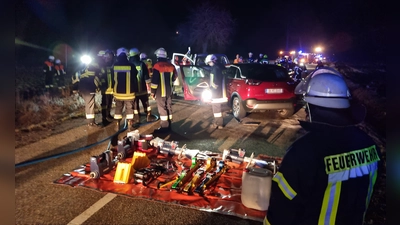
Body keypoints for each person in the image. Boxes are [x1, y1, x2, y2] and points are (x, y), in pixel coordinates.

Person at [264, 68, 381, 225]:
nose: (305, 110)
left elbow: (281, 210)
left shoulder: (303, 152)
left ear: (314, 107)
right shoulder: (370, 145)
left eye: (307, 105)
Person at [150, 47, 177, 133]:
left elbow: (154, 81)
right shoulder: (171, 66)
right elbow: (174, 77)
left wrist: (152, 92)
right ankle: (169, 126)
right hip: (169, 91)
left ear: (158, 56)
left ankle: (164, 127)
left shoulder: (157, 66)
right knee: (168, 107)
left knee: (162, 108)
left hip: (160, 91)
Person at [112, 47, 139, 131]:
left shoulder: (114, 65)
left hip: (118, 93)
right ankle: (130, 126)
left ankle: (117, 125)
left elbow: (112, 78)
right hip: (129, 93)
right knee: (129, 109)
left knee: (118, 108)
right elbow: (135, 75)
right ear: (127, 55)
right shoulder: (131, 65)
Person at [129, 47, 154, 124]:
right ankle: (148, 116)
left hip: (134, 89)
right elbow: (146, 77)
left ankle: (137, 118)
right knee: (146, 103)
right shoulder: (141, 64)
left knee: (135, 104)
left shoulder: (129, 64)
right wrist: (149, 88)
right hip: (142, 88)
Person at [78, 55, 102, 127]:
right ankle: (91, 122)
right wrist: (98, 87)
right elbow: (97, 79)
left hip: (82, 88)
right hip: (89, 88)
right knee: (90, 105)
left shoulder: (82, 69)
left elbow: (76, 78)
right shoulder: (94, 68)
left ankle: (90, 122)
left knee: (87, 104)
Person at [205, 54, 227, 129]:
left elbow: (215, 82)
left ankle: (218, 124)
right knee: (218, 108)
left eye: (209, 62)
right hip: (221, 91)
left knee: (216, 108)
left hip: (216, 92)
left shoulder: (215, 69)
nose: (209, 64)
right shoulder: (221, 67)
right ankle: (218, 122)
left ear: (213, 61)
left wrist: (211, 89)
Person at [98, 49, 115, 126]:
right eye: (109, 56)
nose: (110, 57)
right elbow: (101, 76)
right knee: (105, 104)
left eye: (111, 56)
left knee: (109, 103)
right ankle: (104, 118)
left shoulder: (112, 64)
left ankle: (108, 115)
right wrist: (102, 86)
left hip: (111, 88)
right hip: (105, 88)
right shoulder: (103, 65)